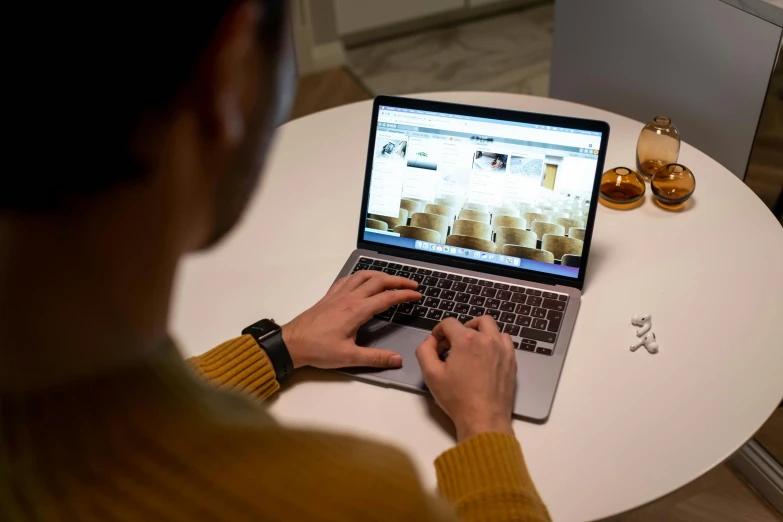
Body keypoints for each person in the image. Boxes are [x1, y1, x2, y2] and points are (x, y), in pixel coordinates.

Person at [0, 2, 550, 521]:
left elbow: (104, 428)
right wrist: (484, 424)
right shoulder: (359, 499)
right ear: (230, 71)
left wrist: (277, 346)